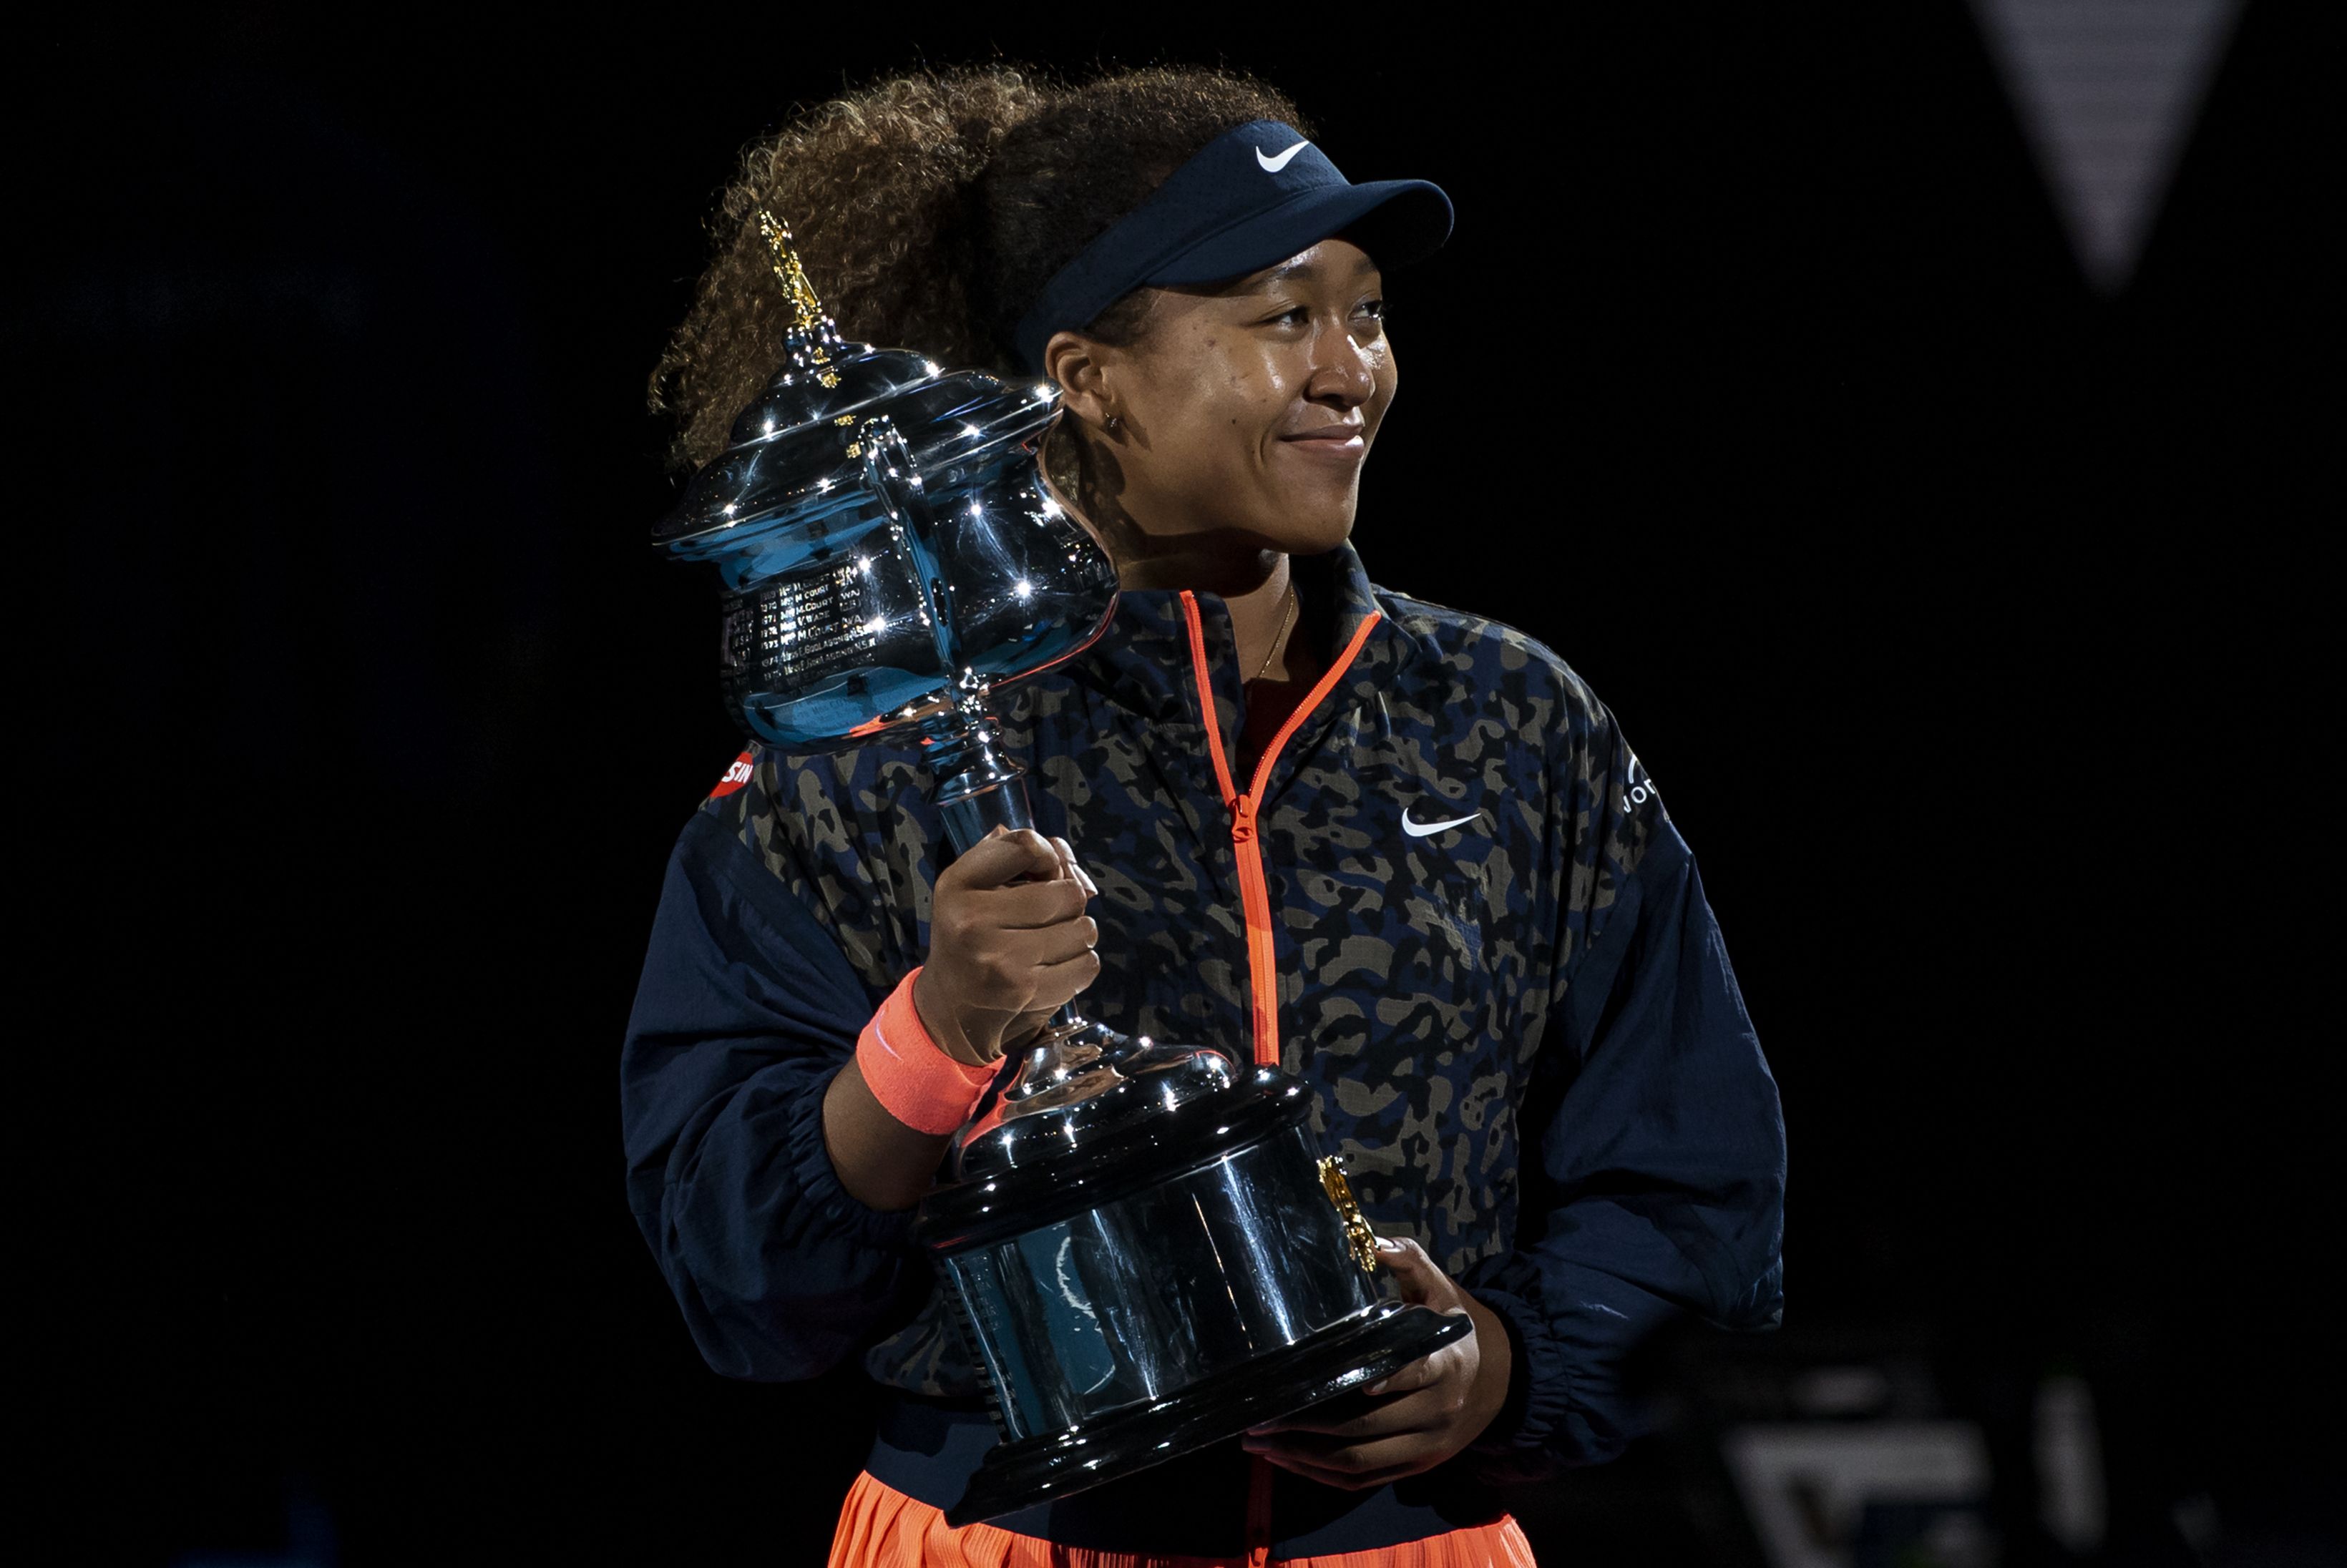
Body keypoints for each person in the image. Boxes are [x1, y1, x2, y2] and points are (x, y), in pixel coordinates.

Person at [624, 64, 1785, 1568]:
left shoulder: (1513, 721)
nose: (1347, 369)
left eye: (1363, 312)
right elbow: (738, 1285)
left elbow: (1696, 1181)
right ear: (1086, 379)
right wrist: (934, 1034)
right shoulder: (862, 750)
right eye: (1279, 314)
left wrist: (1499, 1368)